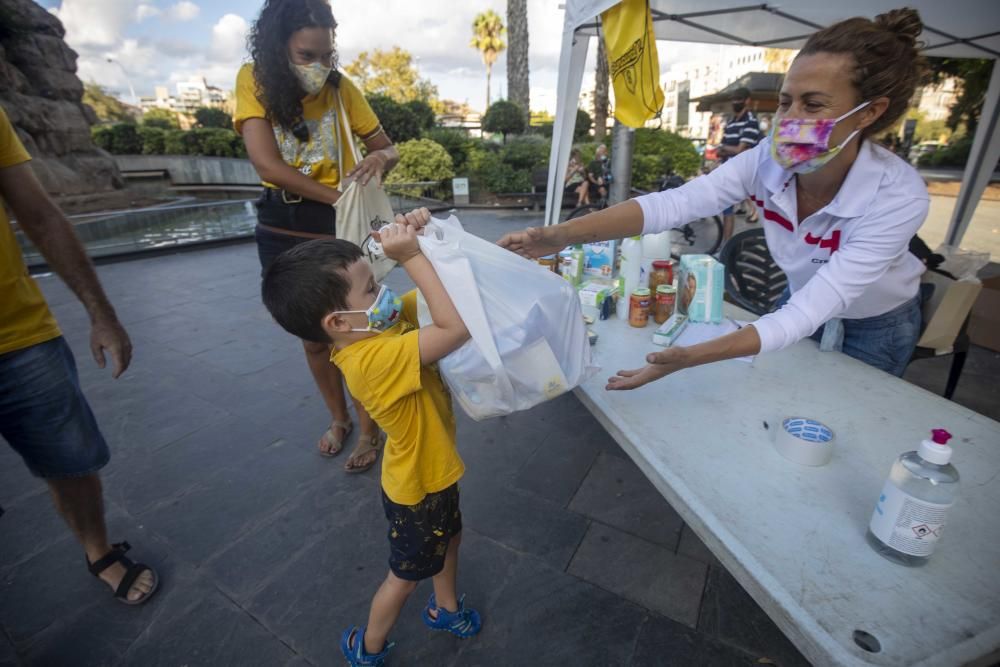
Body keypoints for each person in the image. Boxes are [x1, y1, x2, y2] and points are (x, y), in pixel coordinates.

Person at [499, 8, 929, 386]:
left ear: (870, 111)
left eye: (812, 104)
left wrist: (692, 357)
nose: (789, 119)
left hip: (877, 324)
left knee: (850, 424)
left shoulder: (898, 196)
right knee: (782, 400)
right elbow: (672, 205)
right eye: (784, 102)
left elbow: (815, 308)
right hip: (795, 299)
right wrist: (560, 236)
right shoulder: (766, 160)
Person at [261, 208, 481, 666]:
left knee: (451, 540)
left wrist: (424, 240)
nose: (384, 294)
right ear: (339, 324)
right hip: (416, 490)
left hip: (436, 475)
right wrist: (411, 256)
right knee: (403, 576)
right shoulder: (370, 360)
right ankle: (368, 646)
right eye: (371, 288)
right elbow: (455, 327)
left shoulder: (375, 324)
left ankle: (446, 608)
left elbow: (435, 297)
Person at [0, 106, 158, 604]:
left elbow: (41, 217)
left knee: (70, 461)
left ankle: (98, 548)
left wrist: (102, 314)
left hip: (20, 335)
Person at [235, 0, 399, 472]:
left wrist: (379, 161)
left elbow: (386, 147)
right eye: (307, 56)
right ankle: (339, 418)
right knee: (312, 337)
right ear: (278, 44)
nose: (319, 67)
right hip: (284, 224)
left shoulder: (341, 87)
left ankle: (369, 429)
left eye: (326, 55)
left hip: (337, 225)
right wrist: (340, 199)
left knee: (355, 332)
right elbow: (268, 166)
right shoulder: (255, 81)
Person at [717, 86, 761, 239]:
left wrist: (725, 148)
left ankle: (727, 245)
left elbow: (740, 150)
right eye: (733, 100)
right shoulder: (731, 122)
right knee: (726, 210)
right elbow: (723, 147)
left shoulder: (751, 122)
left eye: (738, 100)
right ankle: (725, 245)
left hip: (742, 173)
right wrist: (727, 149)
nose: (735, 103)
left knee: (729, 208)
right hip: (727, 170)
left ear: (747, 101)